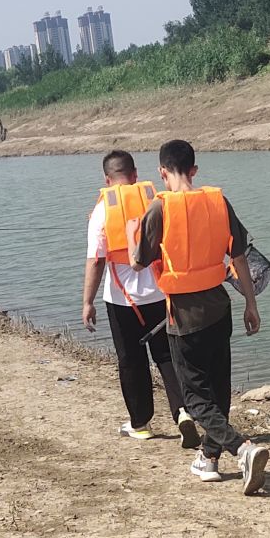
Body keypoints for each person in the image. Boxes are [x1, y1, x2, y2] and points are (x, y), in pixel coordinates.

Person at [130, 140, 270, 492]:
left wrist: (133, 234)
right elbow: (239, 257)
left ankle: (242, 449)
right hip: (220, 309)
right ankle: (209, 458)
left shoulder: (159, 208)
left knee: (194, 398)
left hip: (183, 317)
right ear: (193, 169)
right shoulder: (218, 201)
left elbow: (138, 261)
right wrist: (251, 304)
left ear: (162, 172)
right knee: (218, 388)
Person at [81, 150, 188, 441]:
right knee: (167, 356)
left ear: (107, 179)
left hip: (121, 301)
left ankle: (140, 424)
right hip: (160, 294)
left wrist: (87, 302)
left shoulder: (102, 212)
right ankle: (183, 413)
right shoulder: (157, 201)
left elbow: (96, 260)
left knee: (131, 361)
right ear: (135, 175)